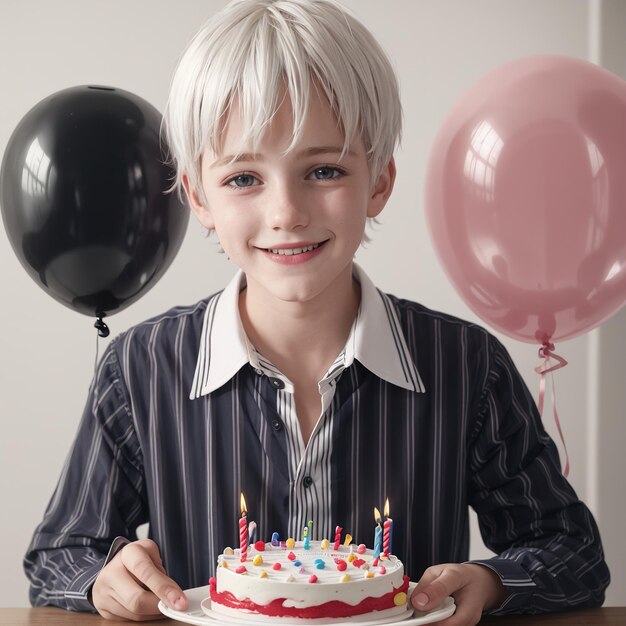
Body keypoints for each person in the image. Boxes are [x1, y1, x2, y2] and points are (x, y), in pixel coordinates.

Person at [24, 0, 609, 623]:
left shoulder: (466, 366)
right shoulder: (141, 369)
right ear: (197, 194)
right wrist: (102, 581)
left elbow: (572, 553)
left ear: (379, 180)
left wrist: (490, 583)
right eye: (244, 178)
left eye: (323, 169)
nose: (286, 213)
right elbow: (60, 554)